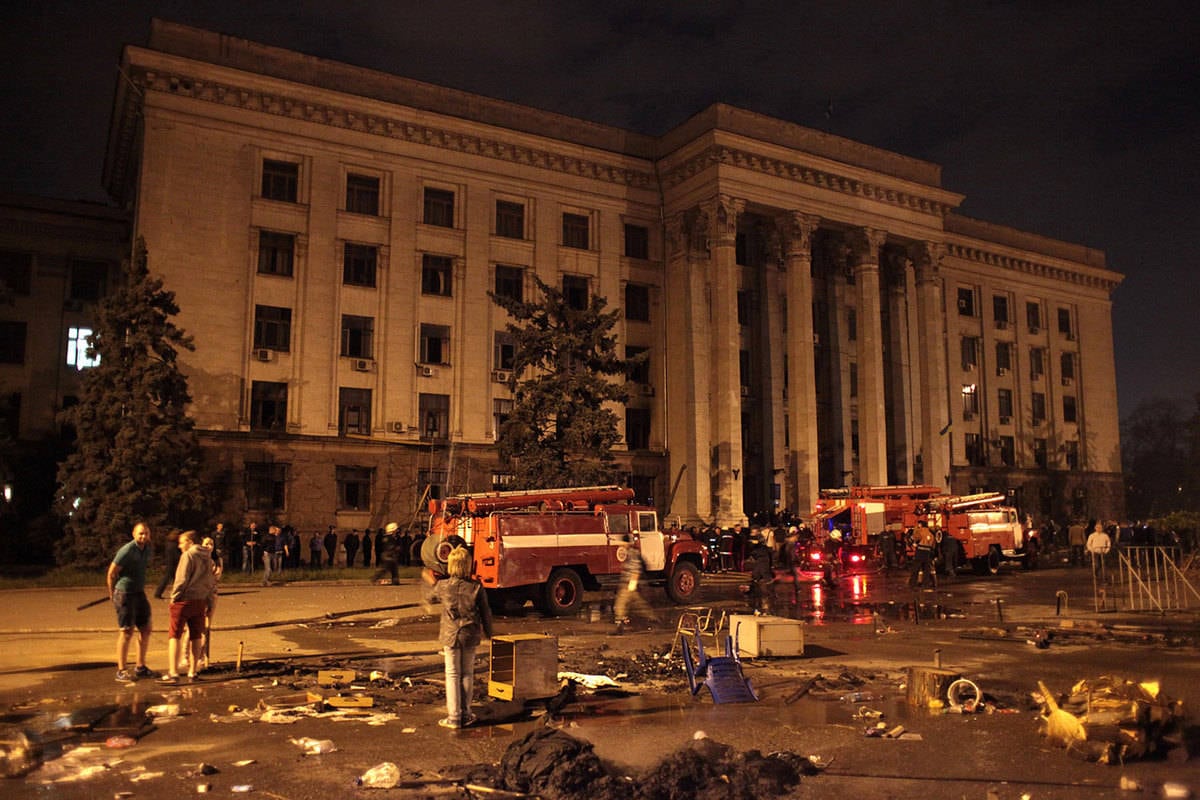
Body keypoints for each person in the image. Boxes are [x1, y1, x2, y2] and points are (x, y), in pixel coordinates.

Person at [431, 546, 493, 729]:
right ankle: (466, 714)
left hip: (450, 635)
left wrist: (431, 580)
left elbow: (430, 598)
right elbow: (486, 613)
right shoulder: (476, 587)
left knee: (452, 674)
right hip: (469, 633)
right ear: (467, 565)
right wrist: (489, 633)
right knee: (467, 673)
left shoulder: (443, 586)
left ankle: (454, 717)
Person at [160, 530, 217, 683]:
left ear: (190, 542)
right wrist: (210, 601)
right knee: (196, 636)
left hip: (184, 601)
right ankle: (193, 672)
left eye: (182, 542)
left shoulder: (188, 555)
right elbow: (210, 581)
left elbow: (181, 579)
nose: (179, 546)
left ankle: (173, 673)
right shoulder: (208, 556)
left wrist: (174, 597)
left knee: (174, 635)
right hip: (200, 600)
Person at [107, 521, 158, 682]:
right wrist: (113, 593)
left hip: (139, 593)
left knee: (146, 628)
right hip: (125, 593)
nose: (143, 536)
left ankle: (140, 666)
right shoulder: (127, 550)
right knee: (126, 631)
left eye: (146, 533)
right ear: (134, 534)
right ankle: (121, 670)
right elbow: (111, 573)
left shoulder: (147, 549)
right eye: (140, 533)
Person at [613, 534, 657, 633]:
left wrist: (632, 583)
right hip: (628, 583)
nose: (622, 544)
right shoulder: (630, 552)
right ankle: (653, 618)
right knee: (639, 604)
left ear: (627, 543)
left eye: (623, 542)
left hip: (629, 583)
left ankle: (619, 626)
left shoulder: (632, 553)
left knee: (620, 605)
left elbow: (635, 568)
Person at [199, 534, 223, 670]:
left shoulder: (217, 559)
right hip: (200, 594)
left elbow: (217, 576)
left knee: (208, 625)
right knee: (198, 626)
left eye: (211, 544)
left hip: (212, 594)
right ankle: (192, 655)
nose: (209, 546)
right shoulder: (198, 558)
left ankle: (204, 656)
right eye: (206, 543)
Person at [746, 530, 774, 613]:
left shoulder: (759, 543)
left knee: (764, 576)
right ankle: (754, 592)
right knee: (756, 575)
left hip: (762, 559)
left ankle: (769, 594)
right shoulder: (757, 543)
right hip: (760, 559)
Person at [152, 529, 182, 600]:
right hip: (173, 565)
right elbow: (176, 556)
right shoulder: (174, 545)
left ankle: (160, 593)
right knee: (168, 579)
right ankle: (158, 593)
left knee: (171, 579)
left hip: (170, 563)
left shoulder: (169, 543)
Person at [909, 521, 936, 588]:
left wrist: (912, 541)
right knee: (926, 569)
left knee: (916, 568)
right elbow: (933, 545)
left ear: (920, 525)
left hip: (920, 551)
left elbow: (914, 538)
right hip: (927, 552)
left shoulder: (920, 531)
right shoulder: (931, 534)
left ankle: (913, 583)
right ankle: (926, 584)